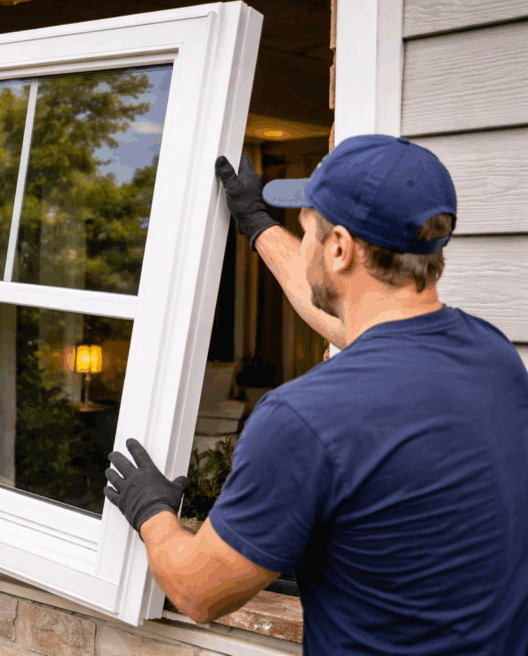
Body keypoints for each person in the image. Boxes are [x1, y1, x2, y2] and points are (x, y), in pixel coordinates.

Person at [104, 135, 528, 655]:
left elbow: (199, 592)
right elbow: (345, 321)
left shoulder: (305, 420)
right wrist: (257, 225)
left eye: (305, 228)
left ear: (340, 248)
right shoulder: (492, 354)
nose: (301, 240)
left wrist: (153, 515)